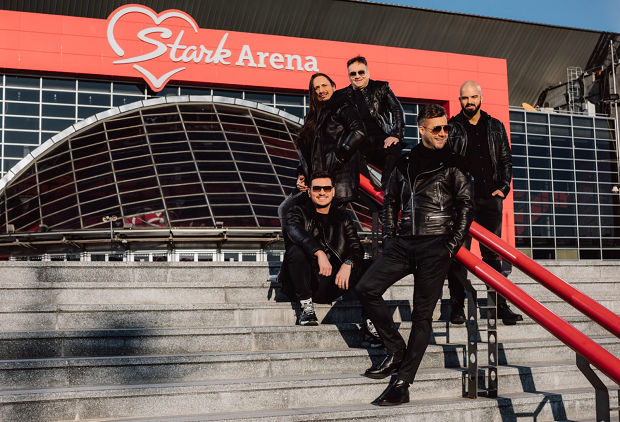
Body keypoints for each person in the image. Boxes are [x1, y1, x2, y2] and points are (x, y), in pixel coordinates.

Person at [355, 104, 474, 406]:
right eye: (437, 129)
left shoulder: (455, 162)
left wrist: (451, 245)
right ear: (422, 130)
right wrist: (390, 238)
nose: (443, 133)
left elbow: (465, 205)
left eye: (446, 128)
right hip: (403, 243)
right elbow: (390, 201)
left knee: (422, 316)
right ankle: (396, 350)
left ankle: (403, 382)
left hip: (437, 245)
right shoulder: (405, 162)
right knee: (366, 288)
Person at [446, 81, 523, 326]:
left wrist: (503, 189)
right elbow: (446, 164)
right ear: (459, 100)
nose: (469, 102)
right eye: (464, 98)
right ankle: (457, 307)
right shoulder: (452, 128)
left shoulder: (496, 126)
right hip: (462, 202)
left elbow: (506, 160)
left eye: (473, 97)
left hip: (490, 200)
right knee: (459, 255)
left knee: (492, 255)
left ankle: (499, 306)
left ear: (480, 97)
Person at [280, 171, 364, 326]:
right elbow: (295, 232)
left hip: (333, 283)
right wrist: (319, 252)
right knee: (296, 251)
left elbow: (356, 248)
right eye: (317, 189)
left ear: (333, 191)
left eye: (326, 188)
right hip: (304, 282)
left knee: (369, 265)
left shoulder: (343, 217)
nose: (322, 192)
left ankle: (371, 320)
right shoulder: (297, 212)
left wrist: (348, 263)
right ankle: (306, 306)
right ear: (309, 192)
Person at [340, 56, 405, 189]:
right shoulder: (344, 95)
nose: (357, 76)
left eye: (361, 72)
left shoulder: (381, 87)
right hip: (359, 141)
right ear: (349, 76)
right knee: (353, 159)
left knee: (394, 148)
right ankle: (367, 191)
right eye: (353, 73)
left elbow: (397, 109)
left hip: (381, 138)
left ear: (367, 73)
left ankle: (387, 188)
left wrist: (396, 135)